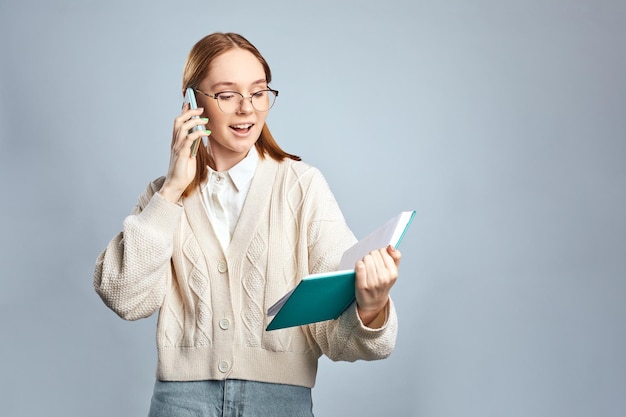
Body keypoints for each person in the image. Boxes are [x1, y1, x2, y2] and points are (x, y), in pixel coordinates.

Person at [94, 32, 402, 417]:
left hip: (278, 403)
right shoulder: (163, 197)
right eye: (227, 95)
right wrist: (172, 188)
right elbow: (125, 297)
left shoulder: (302, 187)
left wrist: (370, 308)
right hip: (180, 402)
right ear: (192, 103)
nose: (247, 109)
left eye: (258, 93)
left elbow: (332, 333)